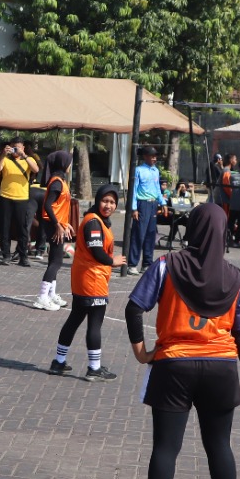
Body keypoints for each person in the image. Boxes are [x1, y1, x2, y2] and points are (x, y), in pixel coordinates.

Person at [126, 206, 240, 479]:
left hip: (174, 365)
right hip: (222, 369)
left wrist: (142, 353)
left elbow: (133, 307)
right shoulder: (237, 277)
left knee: (166, 447)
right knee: (219, 445)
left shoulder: (165, 265)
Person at [50, 183, 126, 380]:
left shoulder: (97, 220)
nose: (108, 205)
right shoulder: (94, 222)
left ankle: (58, 362)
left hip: (84, 278)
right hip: (93, 279)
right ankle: (94, 367)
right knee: (94, 323)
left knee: (74, 319)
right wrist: (113, 261)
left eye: (112, 202)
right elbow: (96, 250)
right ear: (97, 200)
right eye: (104, 201)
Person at [32, 151, 75, 310]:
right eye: (69, 162)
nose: (71, 165)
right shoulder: (57, 182)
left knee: (54, 260)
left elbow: (59, 207)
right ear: (63, 164)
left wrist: (65, 223)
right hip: (52, 224)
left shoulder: (61, 181)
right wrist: (58, 224)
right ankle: (42, 297)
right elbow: (47, 205)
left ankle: (51, 294)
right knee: (57, 262)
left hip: (57, 223)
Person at [0, 138, 39, 265]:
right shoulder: (5, 159)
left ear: (23, 147)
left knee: (22, 229)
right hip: (5, 197)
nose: (15, 150)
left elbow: (36, 170)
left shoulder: (29, 160)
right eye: (13, 148)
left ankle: (23, 256)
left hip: (22, 198)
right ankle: (6, 255)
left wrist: (24, 156)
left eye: (18, 148)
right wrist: (2, 155)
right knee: (5, 228)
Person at [126, 144, 162, 273]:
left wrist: (162, 202)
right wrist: (134, 208)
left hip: (153, 203)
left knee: (151, 234)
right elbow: (134, 190)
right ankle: (132, 264)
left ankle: (147, 263)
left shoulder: (156, 171)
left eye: (155, 156)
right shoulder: (139, 170)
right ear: (145, 156)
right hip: (142, 203)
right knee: (138, 234)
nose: (154, 159)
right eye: (152, 156)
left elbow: (157, 187)